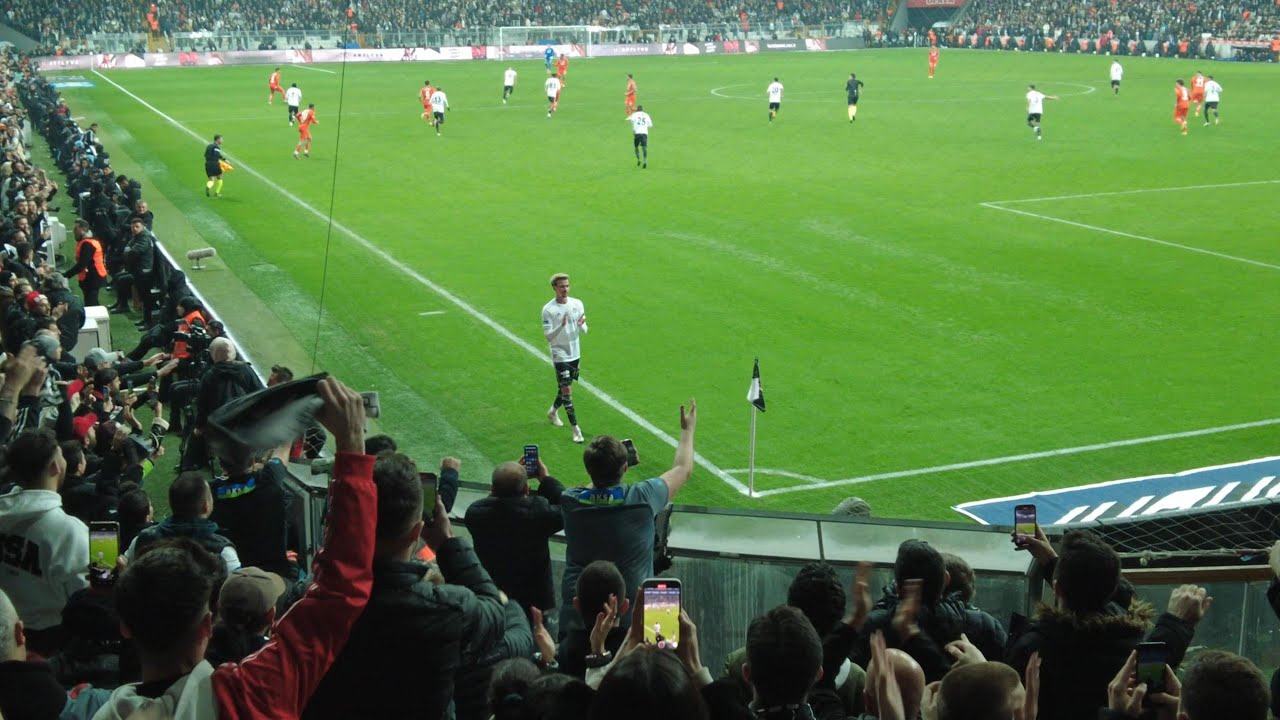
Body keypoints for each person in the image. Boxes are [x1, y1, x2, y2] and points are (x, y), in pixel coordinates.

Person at [97, 375, 378, 719]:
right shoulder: (249, 697)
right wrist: (351, 443)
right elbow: (339, 593)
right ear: (207, 626)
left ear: (125, 625)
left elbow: (339, 592)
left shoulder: (91, 708)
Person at [301, 451, 505, 720]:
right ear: (416, 532)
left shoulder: (310, 600)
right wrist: (446, 543)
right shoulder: (446, 610)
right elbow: (494, 611)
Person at [1005, 528, 1209, 720]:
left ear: (1057, 588)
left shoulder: (1032, 650)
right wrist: (1175, 625)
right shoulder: (1138, 652)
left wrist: (1056, 567)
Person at [557, 400, 696, 636]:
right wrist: (687, 430)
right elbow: (683, 469)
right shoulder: (642, 498)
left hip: (579, 618)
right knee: (657, 649)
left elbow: (594, 486)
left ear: (589, 469)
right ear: (625, 468)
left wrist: (609, 467)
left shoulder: (570, 501)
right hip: (636, 623)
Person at [0, 429, 87, 657]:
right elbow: (90, 601)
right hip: (49, 643)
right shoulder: (70, 532)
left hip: (5, 629)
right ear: (55, 466)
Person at [464, 459, 566, 626]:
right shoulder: (538, 514)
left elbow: (491, 505)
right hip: (533, 601)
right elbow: (567, 506)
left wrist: (506, 481)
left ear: (492, 489)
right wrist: (546, 478)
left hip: (493, 596)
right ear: (526, 489)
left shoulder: (474, 514)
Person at [125, 471, 241, 574]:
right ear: (206, 506)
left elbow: (126, 574)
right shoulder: (223, 551)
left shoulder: (143, 540)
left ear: (170, 504)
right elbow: (234, 589)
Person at [542, 272, 587, 442]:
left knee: (565, 386)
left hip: (574, 352)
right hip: (559, 353)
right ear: (554, 288)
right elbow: (548, 336)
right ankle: (576, 430)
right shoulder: (549, 310)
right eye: (561, 286)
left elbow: (585, 329)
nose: (565, 289)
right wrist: (561, 326)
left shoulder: (577, 304)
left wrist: (581, 325)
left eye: (567, 286)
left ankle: (553, 412)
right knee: (567, 390)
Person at [63, 218, 107, 307]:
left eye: (76, 229)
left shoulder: (87, 244)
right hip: (93, 276)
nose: (74, 232)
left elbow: (81, 265)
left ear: (83, 230)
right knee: (92, 302)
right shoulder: (90, 241)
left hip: (92, 278)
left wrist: (65, 275)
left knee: (91, 304)